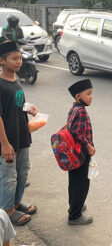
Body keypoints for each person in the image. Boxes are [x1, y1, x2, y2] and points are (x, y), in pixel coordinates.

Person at [0, 39, 38, 226]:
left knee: (23, 172)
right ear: (2, 61)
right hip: (7, 140)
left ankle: (15, 203)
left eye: (20, 58)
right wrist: (4, 144)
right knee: (9, 177)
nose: (19, 61)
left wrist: (27, 107)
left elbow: (15, 104)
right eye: (14, 58)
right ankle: (6, 210)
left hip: (22, 136)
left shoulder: (15, 81)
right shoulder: (0, 84)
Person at [67, 79, 95, 225]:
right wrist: (88, 146)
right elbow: (76, 132)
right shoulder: (81, 112)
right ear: (78, 96)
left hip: (73, 154)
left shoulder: (74, 108)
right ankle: (75, 216)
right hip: (81, 154)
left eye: (91, 94)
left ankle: (75, 206)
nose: (91, 97)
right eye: (88, 94)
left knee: (74, 182)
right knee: (82, 183)